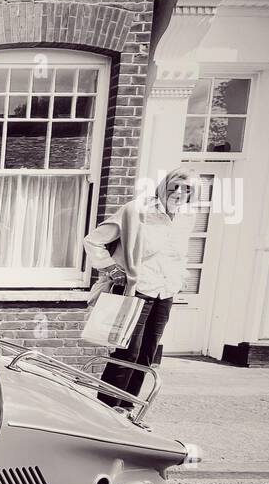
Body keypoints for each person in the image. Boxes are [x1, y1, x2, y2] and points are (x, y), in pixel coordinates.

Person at [83, 167, 197, 414]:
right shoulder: (137, 211)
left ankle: (127, 408)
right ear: (163, 186)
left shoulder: (186, 218)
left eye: (186, 189)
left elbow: (178, 255)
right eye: (174, 187)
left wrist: (181, 277)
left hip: (164, 292)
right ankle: (105, 408)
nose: (179, 193)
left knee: (147, 354)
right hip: (136, 290)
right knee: (127, 352)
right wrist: (113, 270)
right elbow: (93, 241)